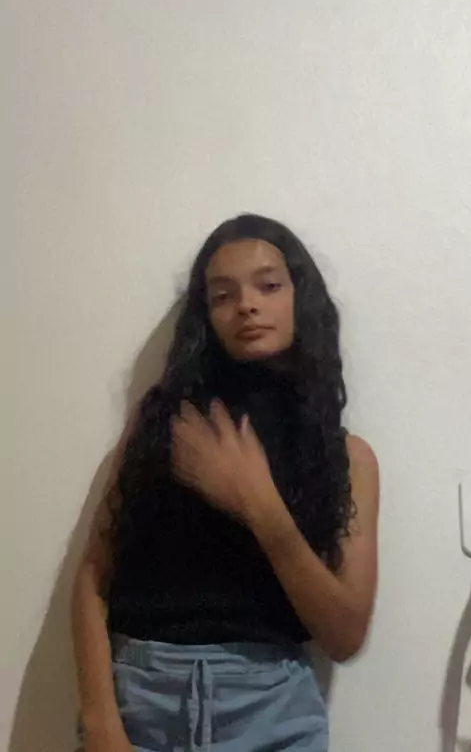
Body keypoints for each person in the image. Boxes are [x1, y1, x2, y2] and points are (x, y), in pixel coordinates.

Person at [72, 213, 379, 752]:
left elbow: (345, 635)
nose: (246, 305)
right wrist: (101, 723)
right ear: (206, 316)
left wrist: (256, 502)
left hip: (273, 714)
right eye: (222, 295)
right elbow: (93, 579)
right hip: (142, 703)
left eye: (268, 286)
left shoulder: (348, 457)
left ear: (300, 297)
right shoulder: (163, 427)